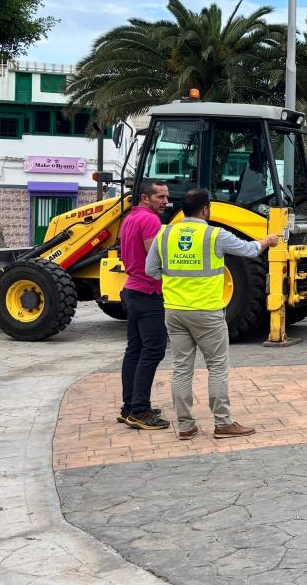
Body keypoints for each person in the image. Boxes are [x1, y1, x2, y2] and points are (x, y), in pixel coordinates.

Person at [145, 188, 280, 440]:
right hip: (207, 312)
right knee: (217, 367)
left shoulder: (164, 234)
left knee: (181, 369)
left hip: (174, 311)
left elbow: (151, 270)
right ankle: (223, 423)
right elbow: (249, 250)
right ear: (206, 209)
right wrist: (267, 241)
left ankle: (185, 427)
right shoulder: (214, 235)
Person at [117, 180, 171, 430]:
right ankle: (140, 410)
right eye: (160, 197)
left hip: (131, 289)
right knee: (153, 350)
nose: (165, 201)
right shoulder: (150, 221)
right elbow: (154, 258)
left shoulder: (130, 217)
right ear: (145, 198)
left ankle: (129, 406)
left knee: (135, 349)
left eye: (166, 197)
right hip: (148, 292)